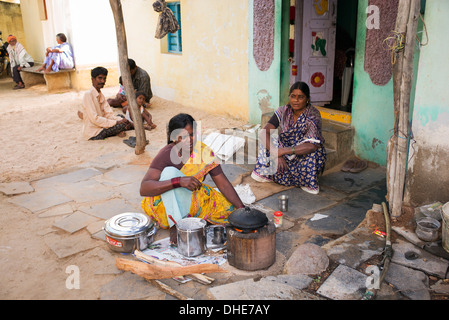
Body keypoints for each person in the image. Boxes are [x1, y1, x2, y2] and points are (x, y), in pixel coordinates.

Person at [140, 113, 244, 243]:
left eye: (192, 134)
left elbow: (222, 182)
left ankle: (193, 219)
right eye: (182, 137)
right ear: (173, 138)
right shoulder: (166, 154)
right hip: (167, 205)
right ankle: (176, 225)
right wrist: (178, 182)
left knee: (230, 210)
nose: (189, 140)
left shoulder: (203, 151)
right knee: (169, 172)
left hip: (193, 197)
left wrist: (241, 208)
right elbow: (144, 189)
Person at [251, 81, 326, 194]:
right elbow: (263, 132)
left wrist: (282, 151)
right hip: (284, 151)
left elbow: (311, 146)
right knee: (266, 139)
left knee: (313, 153)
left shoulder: (312, 115)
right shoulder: (283, 111)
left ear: (307, 99)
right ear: (289, 97)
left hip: (300, 152)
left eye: (300, 97)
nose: (296, 100)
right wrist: (276, 154)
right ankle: (268, 174)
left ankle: (305, 182)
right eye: (293, 96)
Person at [81, 66, 133, 140]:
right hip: (95, 132)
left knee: (121, 117)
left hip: (103, 124)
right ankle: (129, 127)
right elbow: (95, 119)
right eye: (100, 78)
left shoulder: (100, 94)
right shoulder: (88, 95)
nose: (103, 81)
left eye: (104, 78)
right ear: (92, 79)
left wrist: (119, 120)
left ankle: (124, 128)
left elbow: (108, 114)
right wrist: (117, 122)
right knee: (121, 124)